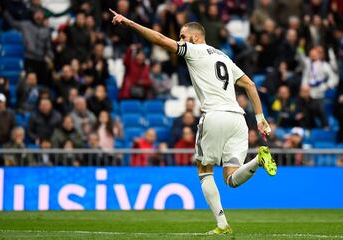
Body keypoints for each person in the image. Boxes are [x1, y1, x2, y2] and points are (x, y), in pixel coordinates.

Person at [110, 10, 277, 235]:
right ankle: (258, 160)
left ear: (196, 38)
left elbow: (159, 39)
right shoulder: (224, 57)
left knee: (204, 170)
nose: (180, 40)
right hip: (238, 119)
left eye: (183, 36)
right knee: (230, 179)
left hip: (215, 116)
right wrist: (260, 119)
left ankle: (222, 225)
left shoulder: (195, 51)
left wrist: (129, 23)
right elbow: (250, 85)